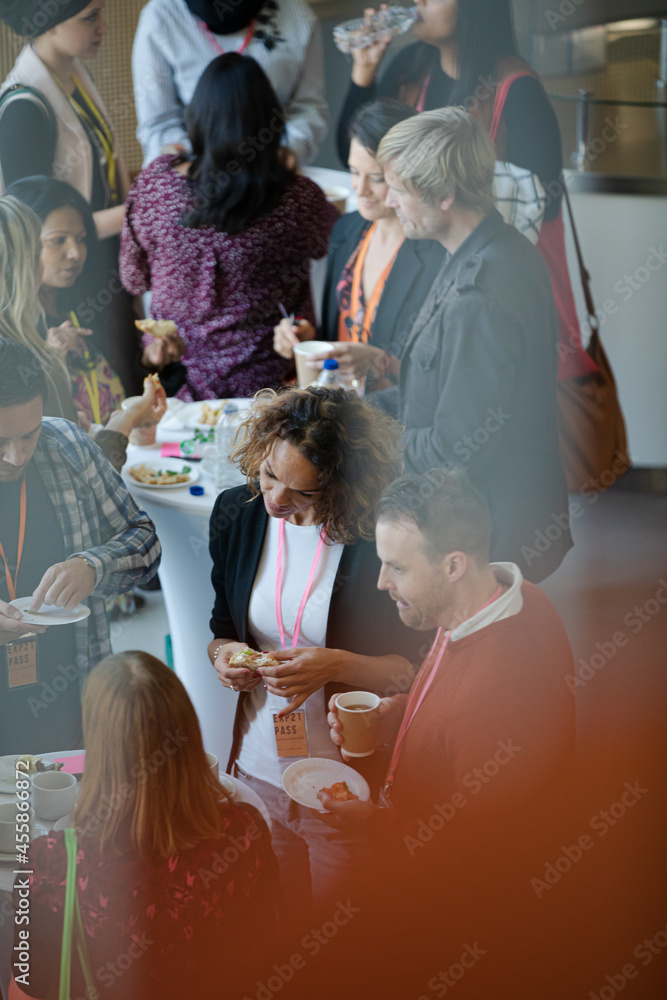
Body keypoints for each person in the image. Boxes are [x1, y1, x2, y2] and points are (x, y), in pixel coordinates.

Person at [207, 386, 427, 914]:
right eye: (270, 474)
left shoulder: (374, 541)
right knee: (280, 926)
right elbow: (220, 626)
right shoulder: (238, 513)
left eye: (303, 493)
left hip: (341, 782)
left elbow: (416, 674)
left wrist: (337, 666)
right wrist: (223, 658)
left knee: (344, 940)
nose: (277, 499)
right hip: (259, 766)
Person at [336, 0, 597, 383]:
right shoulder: (410, 69)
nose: (417, 2)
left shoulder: (516, 88)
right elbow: (356, 154)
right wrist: (364, 71)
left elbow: (542, 206)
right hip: (425, 288)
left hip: (492, 297)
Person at [372, 108, 572, 582]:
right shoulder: (492, 247)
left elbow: (453, 450)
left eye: (399, 188)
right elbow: (435, 390)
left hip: (490, 533)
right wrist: (353, 408)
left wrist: (366, 440)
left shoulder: (479, 294)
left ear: (444, 194)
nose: (389, 200)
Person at [8, 651, 280, 1000]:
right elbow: (269, 945)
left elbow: (25, 989)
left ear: (99, 748)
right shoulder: (245, 831)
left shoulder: (51, 862)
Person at [121, 53, 338, 401]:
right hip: (272, 396)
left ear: (197, 119)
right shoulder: (296, 198)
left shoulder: (155, 188)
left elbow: (133, 278)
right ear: (270, 120)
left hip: (177, 392)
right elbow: (340, 248)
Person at [0, 339, 161, 755]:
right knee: (16, 820)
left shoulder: (67, 446)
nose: (16, 457)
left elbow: (145, 541)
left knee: (66, 819)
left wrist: (94, 566)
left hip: (70, 697)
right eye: (0, 440)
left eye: (28, 435)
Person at [0, 0, 143, 395]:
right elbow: (31, 223)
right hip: (69, 279)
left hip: (99, 263)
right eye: (90, 18)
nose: (104, 28)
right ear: (47, 22)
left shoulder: (73, 75)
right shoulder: (23, 109)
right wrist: (141, 209)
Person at [273, 98, 445, 391]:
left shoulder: (436, 252)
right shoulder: (347, 229)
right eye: (354, 172)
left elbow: (444, 373)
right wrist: (308, 337)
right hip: (339, 411)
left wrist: (381, 363)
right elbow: (340, 332)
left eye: (376, 178)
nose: (360, 189)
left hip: (394, 421)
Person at [0, 195, 167, 473]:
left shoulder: (86, 313)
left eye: (82, 238)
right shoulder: (23, 358)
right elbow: (79, 477)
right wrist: (128, 418)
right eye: (52, 242)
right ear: (22, 267)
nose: (75, 253)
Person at [6, 175, 187, 414]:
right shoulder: (12, 329)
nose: (75, 253)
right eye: (58, 240)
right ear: (23, 245)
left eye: (81, 239)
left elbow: (129, 394)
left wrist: (150, 363)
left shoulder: (102, 303)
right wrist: (50, 358)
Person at [132, 0, 328, 168]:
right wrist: (205, 168)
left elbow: (308, 107)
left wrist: (282, 155)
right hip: (193, 179)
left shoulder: (298, 16)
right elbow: (158, 125)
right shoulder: (161, 18)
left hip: (274, 175)